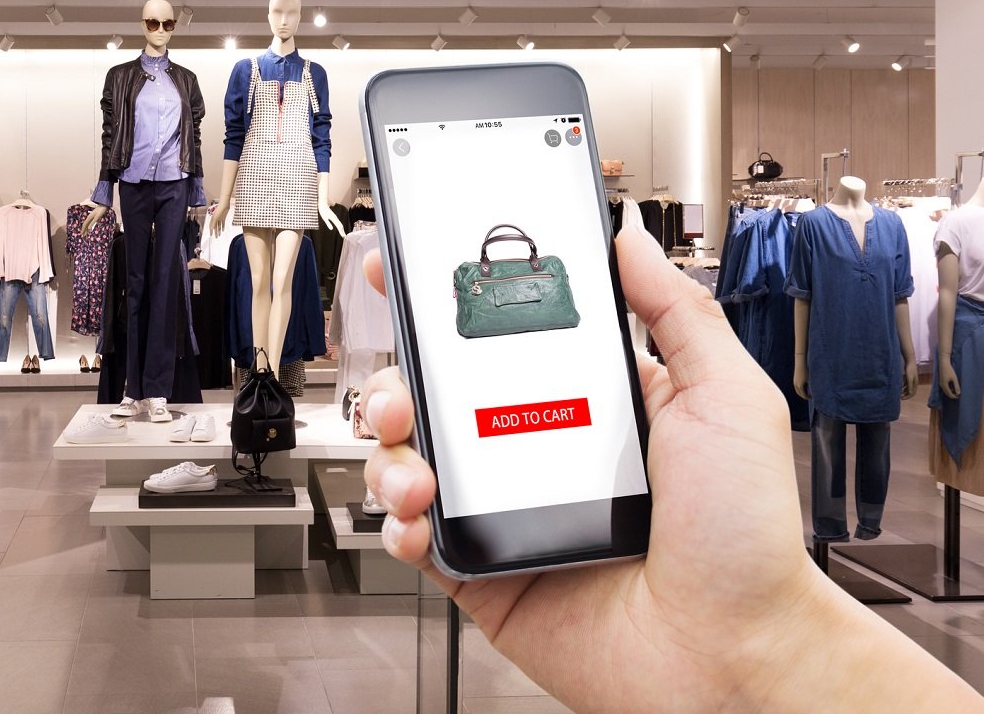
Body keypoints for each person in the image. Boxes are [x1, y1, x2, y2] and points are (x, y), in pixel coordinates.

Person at [361, 199, 984, 710]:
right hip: (831, 347)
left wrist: (759, 640)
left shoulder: (883, 228)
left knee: (864, 433)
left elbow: (900, 292)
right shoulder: (817, 225)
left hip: (867, 350)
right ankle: (831, 523)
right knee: (829, 436)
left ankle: (867, 521)